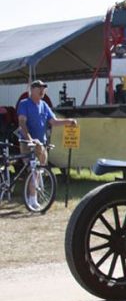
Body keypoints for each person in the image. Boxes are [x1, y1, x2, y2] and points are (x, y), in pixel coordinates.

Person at [17, 80, 77, 210]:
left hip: (41, 144)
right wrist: (30, 139)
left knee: (40, 171)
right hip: (28, 143)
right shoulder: (24, 104)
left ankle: (34, 198)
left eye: (44, 88)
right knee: (33, 171)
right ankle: (32, 200)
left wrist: (69, 121)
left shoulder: (44, 105)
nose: (42, 91)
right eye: (39, 88)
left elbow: (54, 121)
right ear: (32, 90)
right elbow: (22, 123)